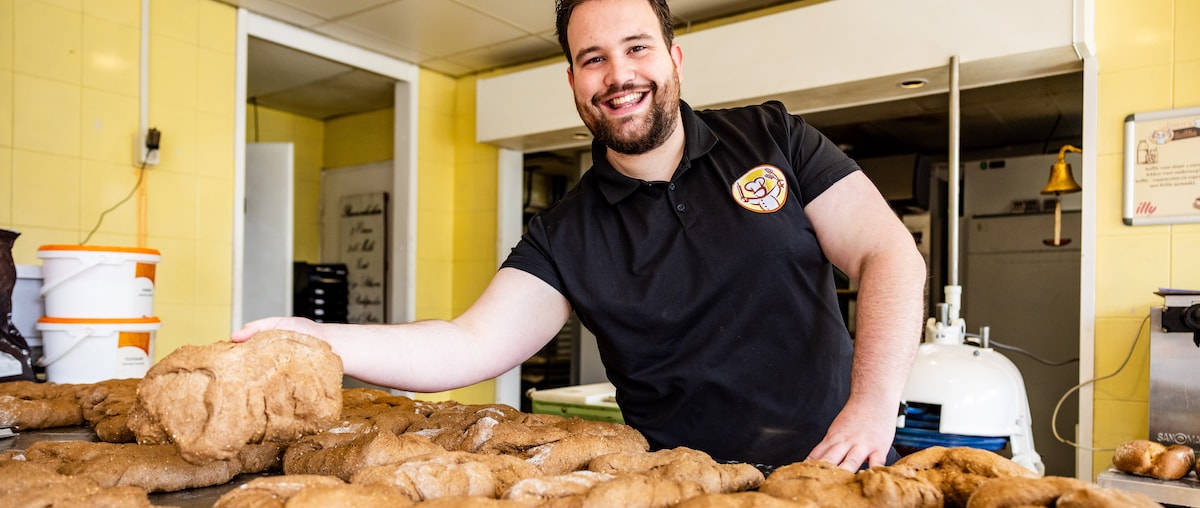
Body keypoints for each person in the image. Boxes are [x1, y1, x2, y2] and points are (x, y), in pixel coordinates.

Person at [234, 0, 927, 472]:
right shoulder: (566, 233)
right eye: (593, 59)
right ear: (572, 80)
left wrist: (871, 409)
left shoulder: (775, 138)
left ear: (675, 59)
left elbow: (888, 254)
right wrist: (318, 339)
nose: (619, 75)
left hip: (843, 466)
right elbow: (466, 343)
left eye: (635, 48)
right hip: (689, 503)